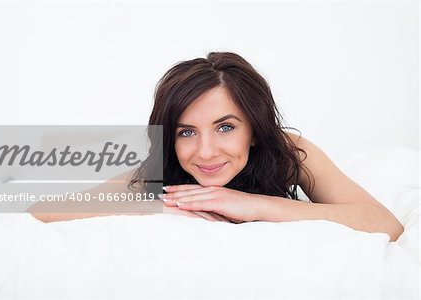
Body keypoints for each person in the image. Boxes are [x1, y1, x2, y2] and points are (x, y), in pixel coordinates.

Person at [29, 52, 404, 242]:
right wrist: (160, 207)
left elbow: (385, 225)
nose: (205, 152)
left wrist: (253, 206)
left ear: (255, 130)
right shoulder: (164, 172)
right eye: (186, 132)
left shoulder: (288, 153)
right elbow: (43, 210)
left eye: (225, 127)